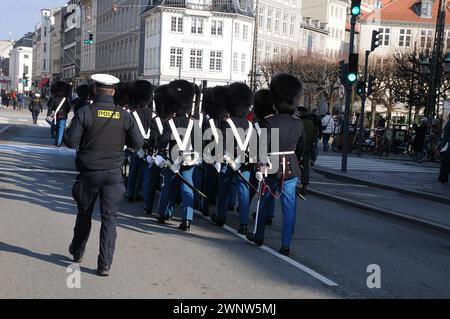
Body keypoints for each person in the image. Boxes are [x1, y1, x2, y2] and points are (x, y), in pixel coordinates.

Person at [64, 74, 144, 276]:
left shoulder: (85, 112)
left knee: (84, 214)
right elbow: (138, 144)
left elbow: (72, 142)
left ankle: (78, 251)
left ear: (94, 89)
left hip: (89, 173)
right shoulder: (125, 115)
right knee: (109, 218)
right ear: (114, 92)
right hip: (114, 174)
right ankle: (104, 264)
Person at [246, 73, 305, 256]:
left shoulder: (268, 121)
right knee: (289, 206)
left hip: (270, 165)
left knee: (264, 201)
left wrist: (259, 165)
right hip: (291, 166)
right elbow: (301, 150)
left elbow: (260, 147)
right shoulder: (298, 123)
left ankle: (258, 234)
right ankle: (286, 244)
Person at [155, 80, 199, 231]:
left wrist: (161, 154)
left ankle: (163, 213)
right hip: (189, 160)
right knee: (187, 189)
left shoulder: (169, 122)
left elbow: (164, 141)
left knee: (168, 187)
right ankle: (186, 220)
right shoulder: (194, 123)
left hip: (172, 160)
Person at [211, 82, 255, 235]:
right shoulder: (250, 125)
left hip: (229, 161)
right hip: (244, 161)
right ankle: (243, 223)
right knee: (243, 191)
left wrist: (218, 158)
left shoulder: (227, 122)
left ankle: (221, 216)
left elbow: (221, 142)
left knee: (223, 189)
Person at [127, 80, 154, 204]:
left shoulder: (132, 114)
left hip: (135, 146)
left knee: (133, 171)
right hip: (147, 148)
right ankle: (143, 195)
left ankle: (130, 193)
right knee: (145, 174)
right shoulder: (153, 115)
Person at [296, 107, 316, 195]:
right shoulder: (311, 123)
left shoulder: (298, 123)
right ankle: (304, 186)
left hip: (297, 148)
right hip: (307, 148)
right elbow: (314, 137)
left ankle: (293, 185)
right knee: (305, 168)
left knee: (294, 166)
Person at [47, 81, 71, 147]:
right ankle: (59, 142)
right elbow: (68, 108)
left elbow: (50, 108)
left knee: (56, 128)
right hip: (63, 115)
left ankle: (57, 140)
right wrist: (66, 112)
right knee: (61, 129)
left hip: (55, 116)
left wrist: (48, 115)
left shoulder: (53, 99)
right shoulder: (65, 100)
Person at [439, 114, 450, 185]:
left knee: (446, 162)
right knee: (446, 162)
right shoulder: (449, 124)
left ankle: (444, 179)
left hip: (448, 145)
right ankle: (444, 179)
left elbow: (445, 136)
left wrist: (443, 146)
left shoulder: (448, 124)